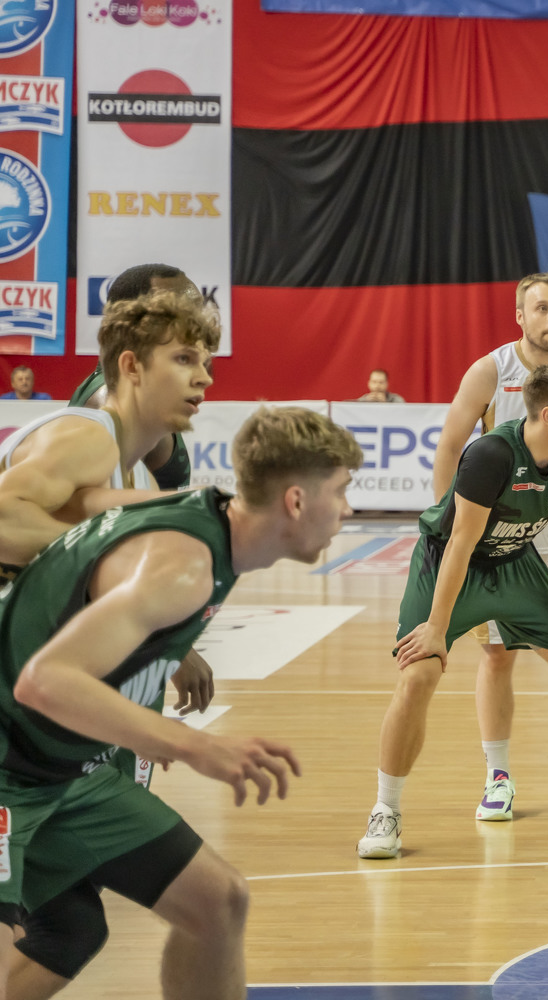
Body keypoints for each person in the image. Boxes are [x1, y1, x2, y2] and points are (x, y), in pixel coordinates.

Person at [0, 405, 361, 1000]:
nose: (348, 509)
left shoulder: (207, 516)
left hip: (62, 770)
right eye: (341, 491)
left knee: (217, 902)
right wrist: (194, 746)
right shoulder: (185, 568)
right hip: (9, 766)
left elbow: (87, 504)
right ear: (295, 501)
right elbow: (44, 681)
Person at [0, 289, 220, 997]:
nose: (203, 376)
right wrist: (107, 561)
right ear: (130, 366)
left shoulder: (135, 468)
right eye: (184, 359)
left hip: (27, 719)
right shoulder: (89, 434)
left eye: (207, 361)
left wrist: (166, 645)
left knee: (69, 930)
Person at [358, 364, 548, 859]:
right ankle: (385, 810)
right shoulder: (491, 454)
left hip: (515, 561)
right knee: (419, 674)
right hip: (451, 565)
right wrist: (436, 629)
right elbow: (460, 543)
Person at [431, 272, 548, 822]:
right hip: (499, 534)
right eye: (541, 308)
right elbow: (450, 445)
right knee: (496, 655)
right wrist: (446, 523)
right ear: (520, 316)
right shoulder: (491, 371)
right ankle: (497, 776)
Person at [70, 263, 203, 492]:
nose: (199, 325)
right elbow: (94, 507)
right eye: (186, 314)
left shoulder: (135, 389)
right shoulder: (113, 399)